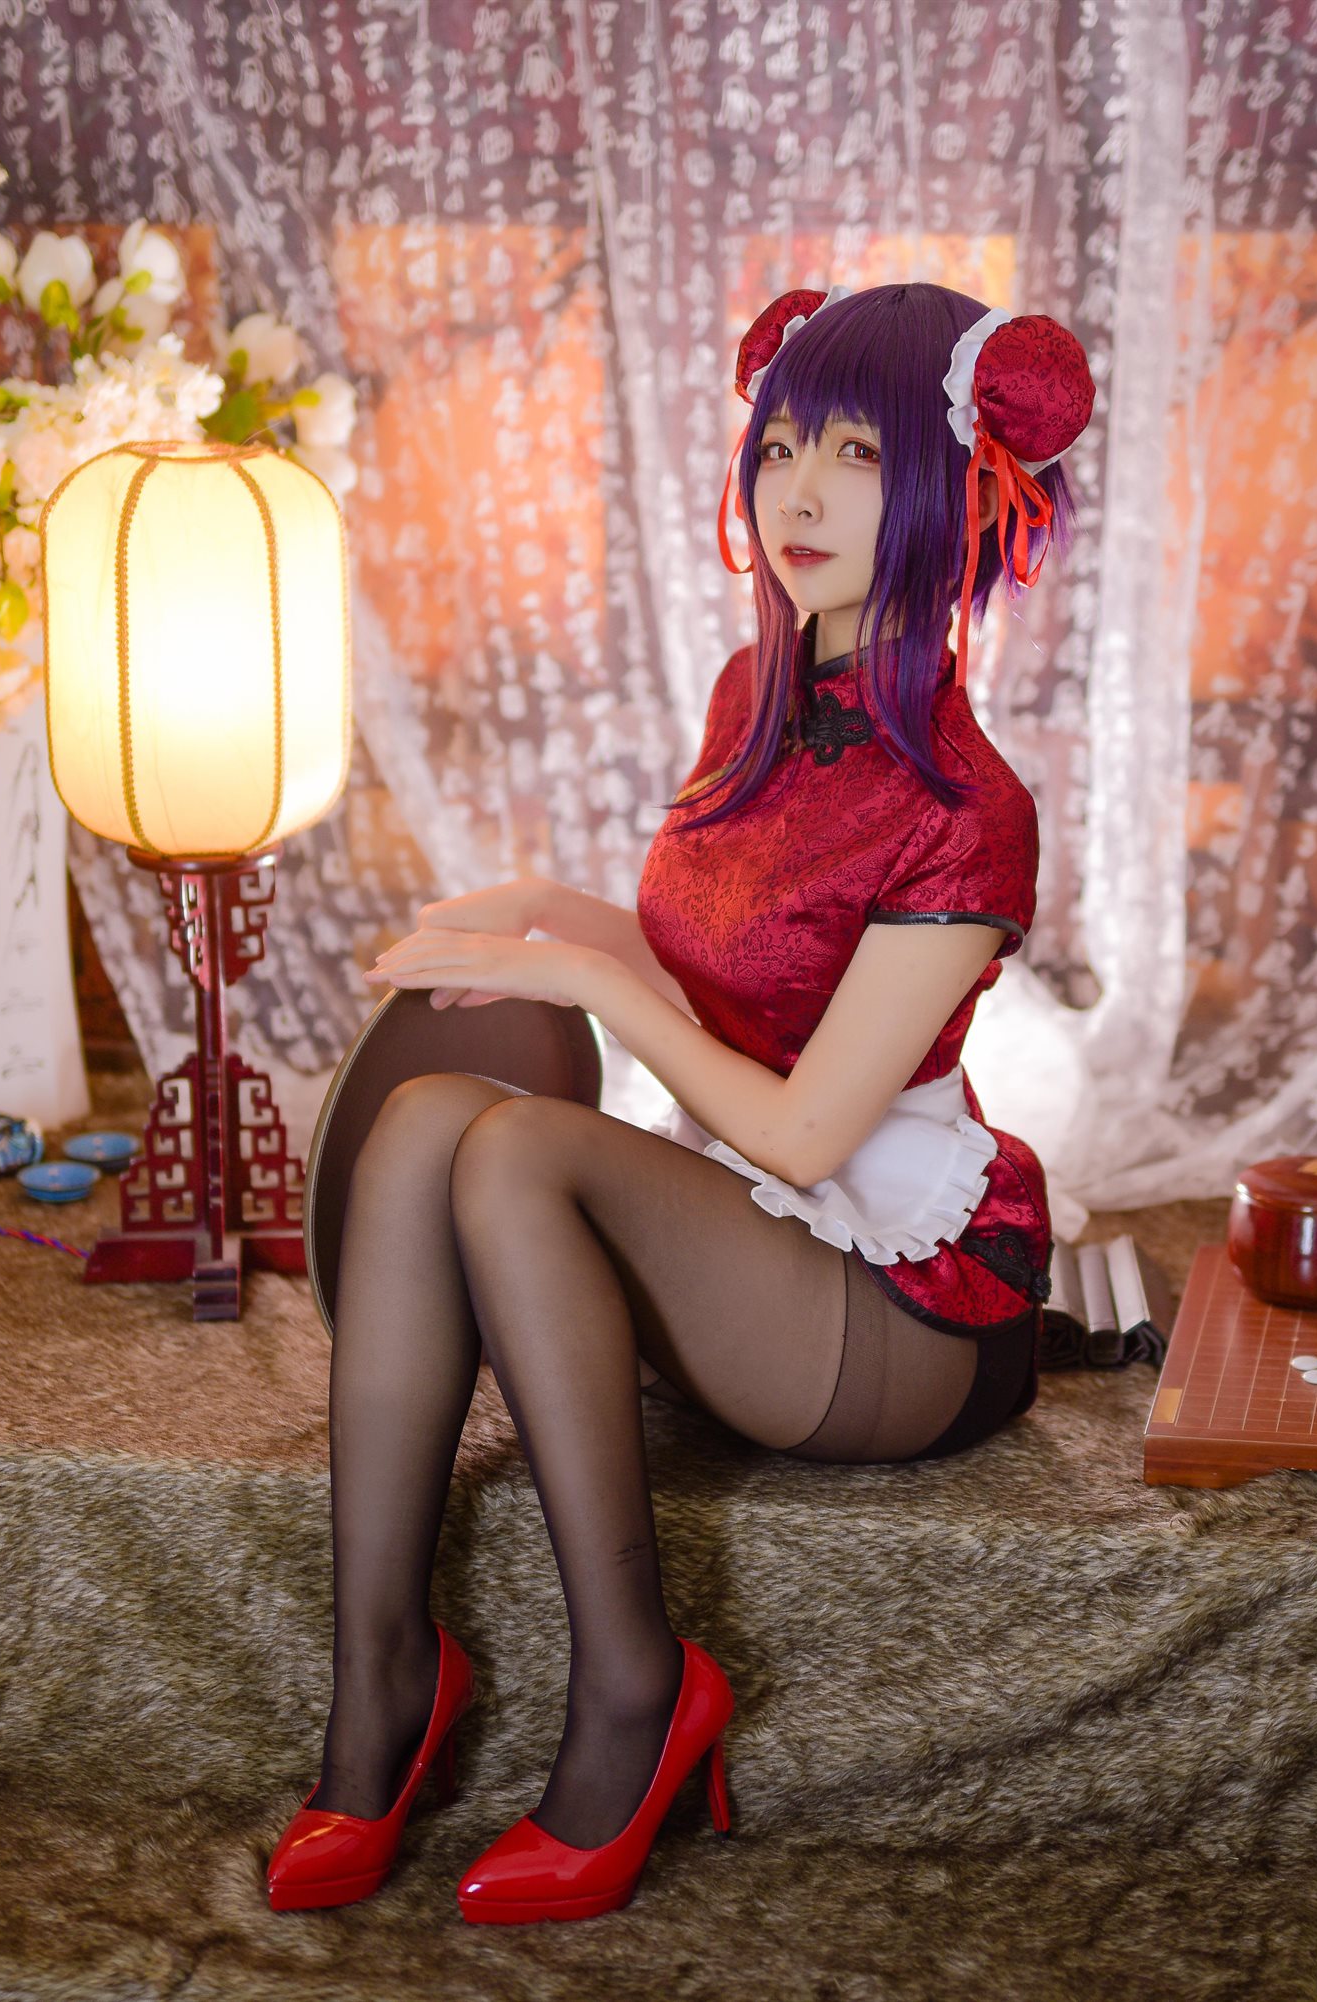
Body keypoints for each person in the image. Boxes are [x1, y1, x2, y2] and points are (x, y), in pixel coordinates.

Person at [264, 281, 1095, 1925]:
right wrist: (538, 914)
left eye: (856, 454)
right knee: (432, 1120)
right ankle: (383, 1677)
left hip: (902, 1312)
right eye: (780, 445)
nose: (799, 492)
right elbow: (718, 964)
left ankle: (638, 1690)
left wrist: (585, 979)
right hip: (762, 1248)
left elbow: (803, 1132)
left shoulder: (972, 808)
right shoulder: (750, 701)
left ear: (951, 487)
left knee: (515, 1148)